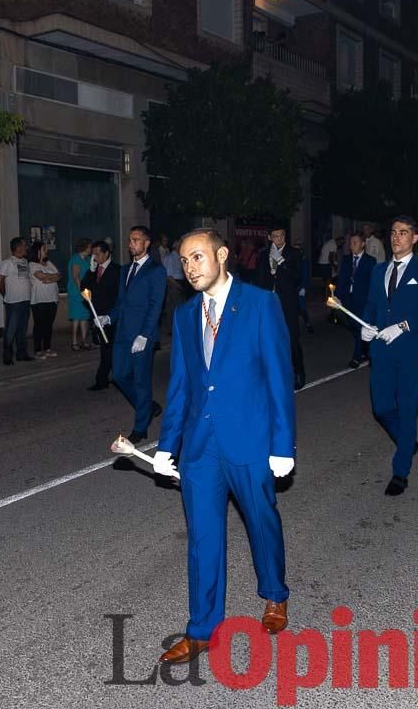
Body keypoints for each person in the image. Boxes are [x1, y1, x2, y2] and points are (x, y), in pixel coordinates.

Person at [151, 228, 295, 664]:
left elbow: (278, 378)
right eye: (184, 260)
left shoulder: (260, 304)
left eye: (197, 257)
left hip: (250, 441)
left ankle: (274, 593)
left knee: (260, 520)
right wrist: (165, 444)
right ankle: (202, 629)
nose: (190, 268)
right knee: (203, 537)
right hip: (200, 447)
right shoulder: (185, 314)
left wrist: (282, 445)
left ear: (222, 255)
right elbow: (181, 386)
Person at [359, 217, 418, 496]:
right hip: (381, 351)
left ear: (415, 238)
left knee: (407, 411)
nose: (397, 237)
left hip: (410, 352)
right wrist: (366, 325)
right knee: (381, 407)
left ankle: (400, 472)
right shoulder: (379, 270)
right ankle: (407, 442)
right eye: (394, 232)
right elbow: (373, 306)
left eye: (404, 233)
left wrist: (404, 325)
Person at [96, 226, 166, 443]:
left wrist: (145, 335)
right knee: (118, 376)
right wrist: (108, 318)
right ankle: (148, 407)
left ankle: (140, 427)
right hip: (123, 333)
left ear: (146, 243)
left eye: (136, 240)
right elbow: (121, 302)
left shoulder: (156, 270)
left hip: (141, 336)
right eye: (129, 240)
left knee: (141, 382)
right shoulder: (125, 270)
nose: (131, 244)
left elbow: (156, 306)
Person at [255, 224, 306, 390]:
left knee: (291, 339)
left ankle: (298, 372)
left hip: (288, 303)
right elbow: (260, 280)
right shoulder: (263, 255)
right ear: (269, 237)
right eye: (275, 236)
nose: (279, 239)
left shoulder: (294, 253)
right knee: (270, 340)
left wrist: (281, 261)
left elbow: (297, 278)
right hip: (269, 304)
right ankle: (275, 374)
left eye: (282, 235)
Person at [81, 241, 120, 391]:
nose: (95, 257)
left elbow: (119, 296)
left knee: (108, 348)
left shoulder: (117, 270)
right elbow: (84, 290)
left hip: (111, 317)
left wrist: (110, 315)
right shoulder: (93, 271)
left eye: (97, 254)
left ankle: (103, 379)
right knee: (106, 348)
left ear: (106, 253)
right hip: (97, 316)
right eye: (93, 254)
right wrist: (91, 271)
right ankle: (111, 377)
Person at [336, 232, 376, 368]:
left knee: (360, 328)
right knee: (353, 327)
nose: (351, 245)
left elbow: (372, 283)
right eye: (350, 243)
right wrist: (337, 297)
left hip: (363, 301)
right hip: (348, 300)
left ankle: (357, 356)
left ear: (363, 244)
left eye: (355, 242)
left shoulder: (370, 261)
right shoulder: (346, 260)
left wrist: (373, 301)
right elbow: (341, 279)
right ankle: (367, 349)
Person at [0, 238, 33, 364]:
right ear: (18, 248)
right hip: (13, 302)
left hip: (25, 300)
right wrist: (5, 294)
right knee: (11, 330)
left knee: (22, 329)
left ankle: (21, 354)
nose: (26, 248)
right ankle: (7, 357)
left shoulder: (25, 261)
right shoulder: (7, 263)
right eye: (24, 245)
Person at [28, 241, 61, 358]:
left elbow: (59, 275)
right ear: (37, 251)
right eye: (43, 249)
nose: (46, 250)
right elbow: (41, 276)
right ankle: (37, 350)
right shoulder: (32, 264)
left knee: (48, 325)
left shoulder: (49, 263)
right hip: (39, 300)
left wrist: (50, 280)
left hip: (52, 299)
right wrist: (53, 278)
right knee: (39, 325)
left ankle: (47, 348)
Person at [67, 239, 93, 352]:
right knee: (76, 317)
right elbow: (75, 276)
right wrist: (81, 291)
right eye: (90, 247)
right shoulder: (76, 258)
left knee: (85, 316)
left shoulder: (87, 259)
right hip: (76, 291)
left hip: (86, 291)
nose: (91, 249)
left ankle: (84, 341)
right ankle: (74, 342)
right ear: (85, 247)